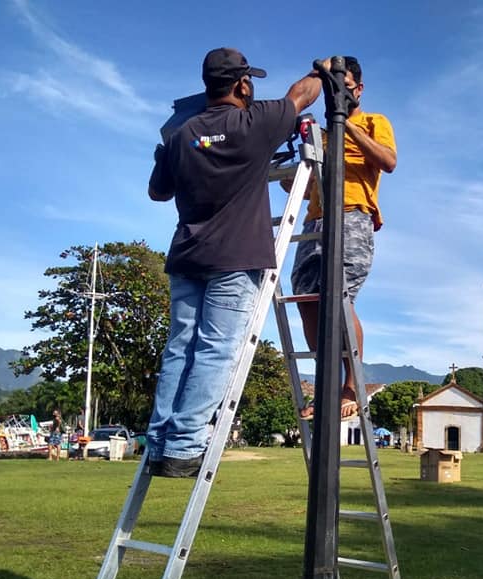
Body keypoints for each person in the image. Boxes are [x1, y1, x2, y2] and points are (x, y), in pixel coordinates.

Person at [145, 48, 327, 478]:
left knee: (180, 348)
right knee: (215, 350)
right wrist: (323, 69)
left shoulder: (181, 132)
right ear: (243, 84)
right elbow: (303, 94)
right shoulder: (253, 123)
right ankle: (185, 445)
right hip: (235, 257)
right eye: (251, 82)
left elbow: (158, 192)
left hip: (188, 256)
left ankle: (159, 443)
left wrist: (168, 149)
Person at [290, 56, 397, 419]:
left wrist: (344, 124)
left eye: (344, 87)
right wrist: (299, 166)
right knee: (306, 298)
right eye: (333, 88)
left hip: (353, 217)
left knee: (340, 296)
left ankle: (352, 383)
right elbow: (304, 188)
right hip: (315, 221)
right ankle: (327, 384)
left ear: (359, 89)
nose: (338, 93)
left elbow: (388, 161)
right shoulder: (319, 134)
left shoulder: (373, 122)